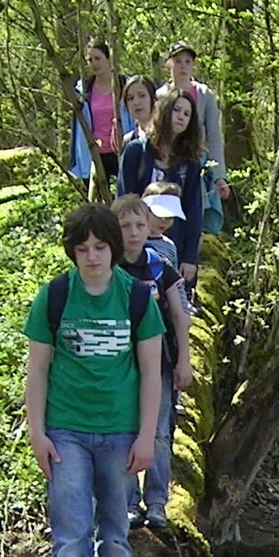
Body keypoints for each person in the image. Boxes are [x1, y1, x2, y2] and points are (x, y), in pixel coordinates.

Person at [23, 203, 164, 557]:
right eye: (83, 248)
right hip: (65, 431)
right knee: (70, 532)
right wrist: (37, 432)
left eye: (100, 247)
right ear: (72, 252)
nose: (92, 256)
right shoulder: (55, 296)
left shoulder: (138, 298)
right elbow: (37, 371)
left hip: (121, 432)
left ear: (114, 249)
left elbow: (150, 373)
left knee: (116, 529)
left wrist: (146, 438)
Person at [114, 193, 192, 532]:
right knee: (126, 431)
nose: (133, 232)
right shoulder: (108, 267)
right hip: (118, 367)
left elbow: (179, 314)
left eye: (139, 225)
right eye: (125, 226)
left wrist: (184, 361)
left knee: (159, 433)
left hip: (160, 362)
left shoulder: (160, 265)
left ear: (149, 227)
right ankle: (129, 503)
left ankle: (157, 502)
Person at [117, 91, 204, 284]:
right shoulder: (136, 152)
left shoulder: (189, 162)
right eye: (176, 110)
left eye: (187, 114)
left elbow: (193, 209)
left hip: (175, 245)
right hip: (138, 245)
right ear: (164, 112)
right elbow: (124, 202)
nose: (181, 116)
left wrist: (190, 257)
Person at [158, 42, 227, 205]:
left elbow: (214, 137)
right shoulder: (160, 95)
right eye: (178, 61)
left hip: (198, 162)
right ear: (169, 64)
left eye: (188, 62)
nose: (183, 66)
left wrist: (219, 175)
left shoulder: (205, 95)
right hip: (169, 162)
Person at [68, 40, 133, 198]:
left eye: (98, 58)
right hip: (95, 153)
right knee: (96, 204)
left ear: (108, 59)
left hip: (122, 150)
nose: (94, 64)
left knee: (127, 199)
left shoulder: (125, 85)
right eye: (90, 60)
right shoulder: (84, 90)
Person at [118, 76, 156, 149]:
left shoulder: (168, 135)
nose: (136, 102)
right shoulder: (128, 140)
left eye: (142, 96)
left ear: (153, 99)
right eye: (130, 98)